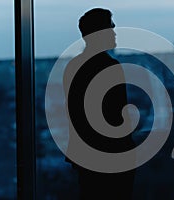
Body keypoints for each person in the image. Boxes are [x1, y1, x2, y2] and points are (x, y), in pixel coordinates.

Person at [63, 8, 135, 200]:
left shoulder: (73, 67)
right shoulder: (110, 67)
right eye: (110, 28)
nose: (114, 32)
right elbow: (118, 117)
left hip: (86, 156)